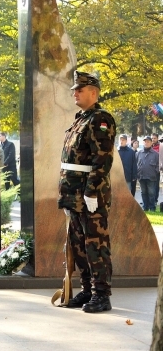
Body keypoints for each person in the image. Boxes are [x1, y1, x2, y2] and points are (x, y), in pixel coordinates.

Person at [58, 71, 115, 313]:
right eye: (74, 89)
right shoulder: (81, 118)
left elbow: (101, 160)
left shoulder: (100, 119)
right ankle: (88, 290)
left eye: (79, 89)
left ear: (94, 92)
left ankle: (102, 294)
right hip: (73, 193)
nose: (75, 93)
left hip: (90, 194)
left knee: (95, 244)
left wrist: (91, 192)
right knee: (78, 244)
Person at [137, 136, 159, 212]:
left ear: (151, 143)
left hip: (151, 177)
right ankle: (145, 207)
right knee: (143, 192)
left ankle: (152, 208)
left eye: (148, 141)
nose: (146, 143)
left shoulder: (156, 154)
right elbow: (136, 164)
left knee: (151, 193)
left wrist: (154, 172)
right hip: (141, 176)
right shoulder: (139, 153)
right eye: (145, 141)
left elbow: (158, 165)